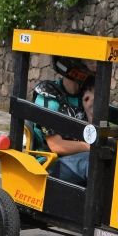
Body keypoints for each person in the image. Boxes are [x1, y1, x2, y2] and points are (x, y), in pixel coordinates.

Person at [32, 56, 95, 186]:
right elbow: (56, 146)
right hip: (50, 163)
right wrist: (89, 147)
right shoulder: (48, 97)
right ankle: (96, 206)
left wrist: (89, 110)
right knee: (94, 163)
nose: (93, 67)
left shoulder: (83, 96)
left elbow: (93, 135)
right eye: (89, 63)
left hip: (78, 158)